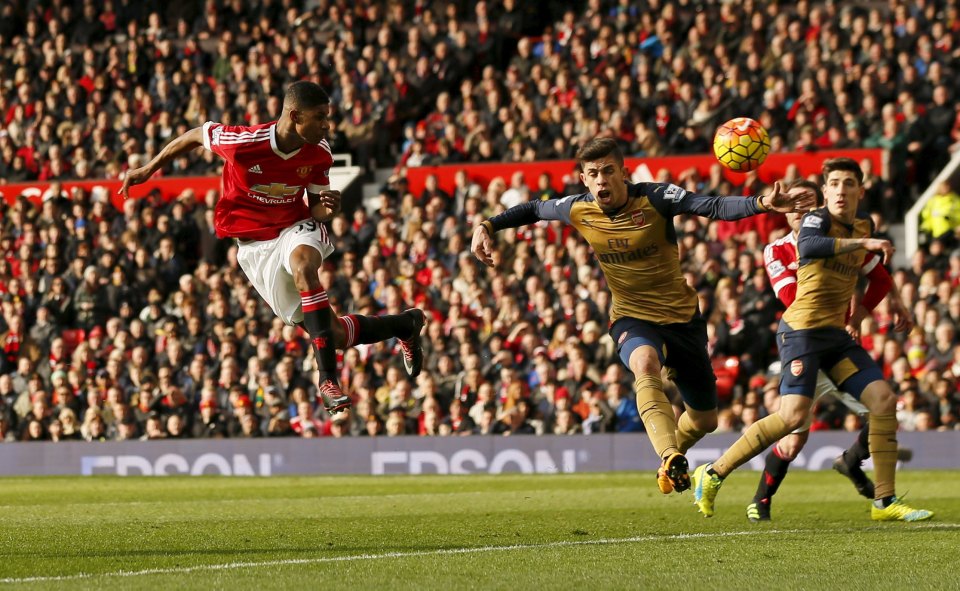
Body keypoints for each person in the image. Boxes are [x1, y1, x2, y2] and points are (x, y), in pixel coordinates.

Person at [471, 137, 815, 493]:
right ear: (585, 180)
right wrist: (488, 225)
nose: (601, 180)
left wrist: (761, 203)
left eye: (608, 171)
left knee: (705, 419)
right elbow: (532, 209)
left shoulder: (655, 198)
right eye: (593, 174)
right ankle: (669, 456)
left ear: (623, 172)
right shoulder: (577, 208)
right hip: (632, 317)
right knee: (645, 364)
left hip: (683, 320)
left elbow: (711, 205)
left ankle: (672, 457)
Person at [120, 81, 425, 415]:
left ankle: (327, 379)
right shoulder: (243, 142)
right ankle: (404, 325)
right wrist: (148, 169)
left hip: (294, 229)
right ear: (294, 116)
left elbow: (317, 208)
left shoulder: (319, 151)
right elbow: (195, 134)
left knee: (304, 266)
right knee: (334, 334)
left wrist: (330, 208)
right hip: (254, 248)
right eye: (320, 116)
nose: (326, 125)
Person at [691, 158, 933, 522]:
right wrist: (864, 241)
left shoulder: (862, 224)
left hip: (835, 336)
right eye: (833, 183)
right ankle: (712, 473)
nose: (840, 190)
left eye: (848, 183)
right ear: (825, 191)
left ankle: (884, 501)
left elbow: (880, 279)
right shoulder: (817, 221)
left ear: (859, 191)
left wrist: (863, 314)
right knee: (791, 419)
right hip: (801, 332)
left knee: (884, 401)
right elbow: (811, 246)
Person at [747, 180, 904, 522]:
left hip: (838, 347)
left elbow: (878, 276)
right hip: (804, 347)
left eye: (807, 202)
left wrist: (860, 311)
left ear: (820, 208)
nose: (798, 208)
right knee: (791, 443)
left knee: (884, 409)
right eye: (792, 202)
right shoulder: (777, 249)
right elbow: (793, 300)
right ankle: (760, 500)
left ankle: (851, 461)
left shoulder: (841, 243)